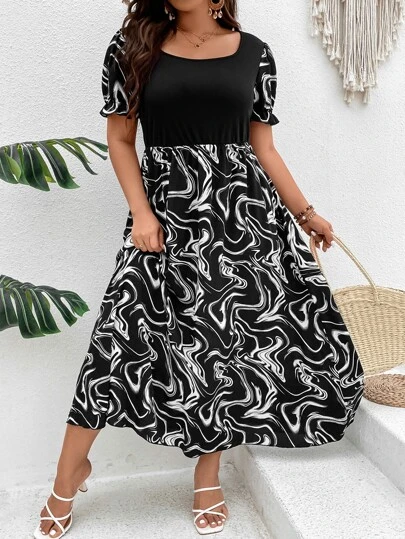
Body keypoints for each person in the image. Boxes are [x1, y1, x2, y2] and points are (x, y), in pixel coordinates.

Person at [34, 0, 365, 537]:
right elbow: (121, 138)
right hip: (166, 216)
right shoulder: (133, 46)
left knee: (222, 344)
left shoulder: (255, 53)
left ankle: (207, 475)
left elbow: (263, 147)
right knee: (118, 339)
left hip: (242, 221)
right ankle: (69, 470)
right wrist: (142, 212)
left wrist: (306, 213)